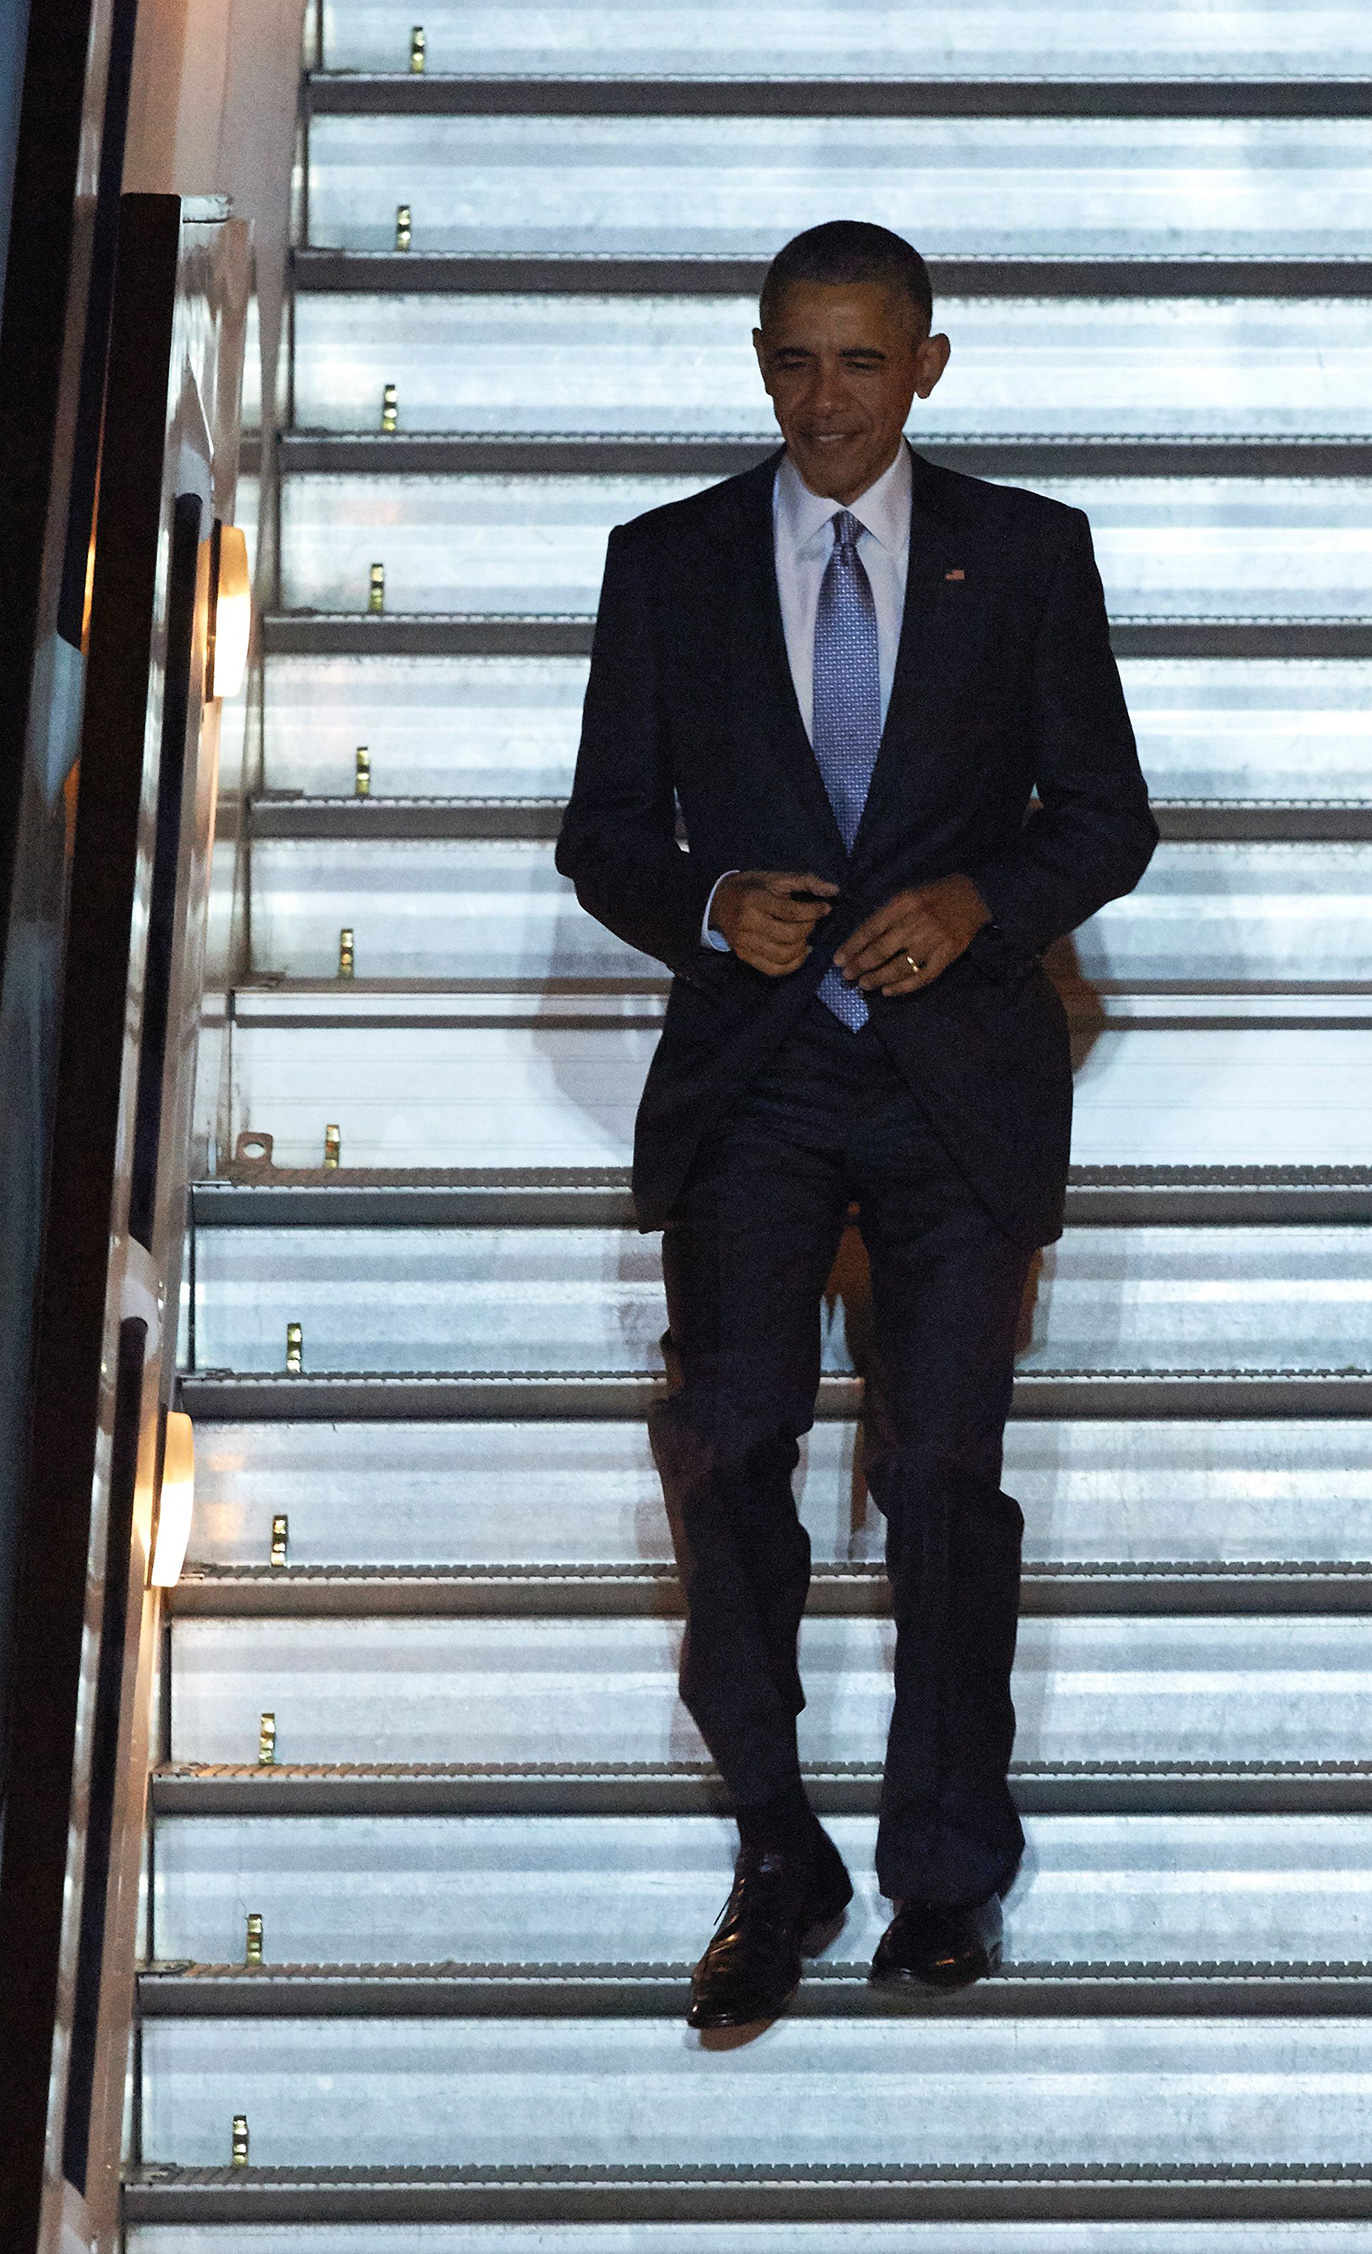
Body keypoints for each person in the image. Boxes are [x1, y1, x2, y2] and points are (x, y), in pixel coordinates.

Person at [556, 220, 1156, 2029]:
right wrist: (713, 893)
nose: (829, 399)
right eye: (797, 361)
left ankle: (947, 1872)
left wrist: (980, 905)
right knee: (728, 1457)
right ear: (758, 360)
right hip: (756, 1078)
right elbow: (602, 838)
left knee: (945, 1487)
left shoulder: (1027, 554)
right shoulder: (661, 564)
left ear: (928, 365)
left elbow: (1105, 817)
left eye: (864, 362)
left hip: (958, 1078)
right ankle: (776, 1849)